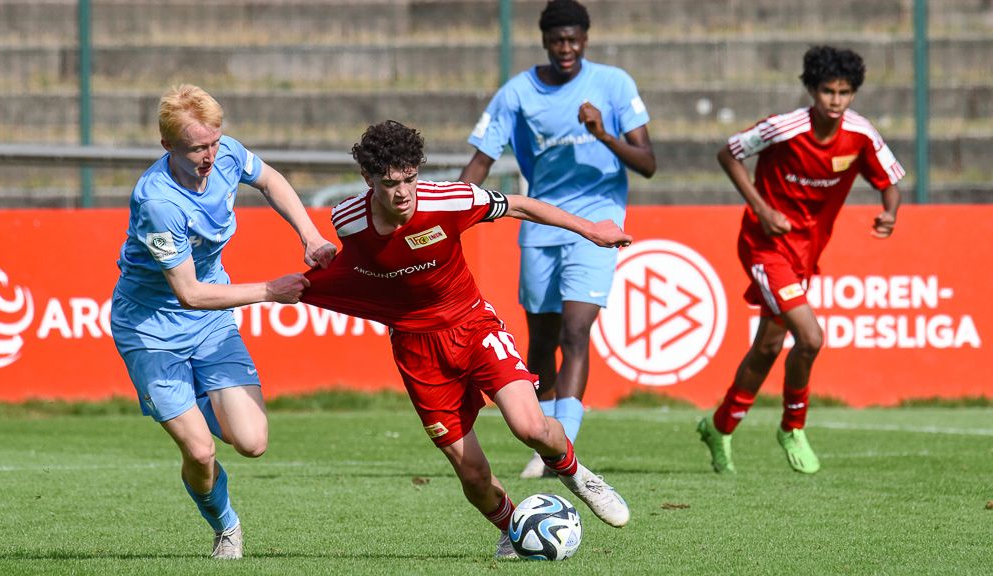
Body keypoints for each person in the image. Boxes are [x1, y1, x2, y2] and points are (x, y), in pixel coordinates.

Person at [300, 120, 632, 559]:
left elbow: (519, 205)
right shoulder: (347, 220)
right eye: (390, 183)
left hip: (473, 326)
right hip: (417, 349)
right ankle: (513, 530)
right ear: (368, 179)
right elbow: (360, 266)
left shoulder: (450, 199)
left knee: (532, 428)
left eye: (409, 179)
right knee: (472, 475)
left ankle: (578, 476)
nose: (403, 193)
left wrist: (591, 230)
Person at [109, 84, 336, 559]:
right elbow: (189, 293)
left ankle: (195, 401)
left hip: (209, 325)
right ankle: (226, 526)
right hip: (152, 331)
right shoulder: (158, 202)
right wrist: (270, 292)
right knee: (200, 451)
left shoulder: (226, 152)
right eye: (196, 148)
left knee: (252, 442)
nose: (210, 156)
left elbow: (270, 180)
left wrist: (310, 235)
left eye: (213, 142)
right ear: (167, 145)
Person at [459, 0, 656, 479]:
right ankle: (545, 439)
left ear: (585, 39)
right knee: (542, 340)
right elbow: (481, 162)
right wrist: (446, 214)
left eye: (573, 40)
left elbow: (648, 163)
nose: (566, 48)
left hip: (599, 225)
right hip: (541, 223)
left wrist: (603, 134)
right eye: (557, 41)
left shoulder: (614, 84)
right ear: (545, 42)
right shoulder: (516, 93)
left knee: (575, 331)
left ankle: (563, 442)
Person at [697, 46, 904, 475]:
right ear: (811, 89)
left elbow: (890, 182)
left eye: (844, 92)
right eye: (827, 91)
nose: (836, 100)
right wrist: (762, 209)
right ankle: (793, 427)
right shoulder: (784, 127)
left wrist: (890, 212)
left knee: (769, 346)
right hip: (765, 245)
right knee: (810, 338)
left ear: (853, 93)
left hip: (806, 253)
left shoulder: (861, 134)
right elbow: (729, 153)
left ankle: (720, 426)